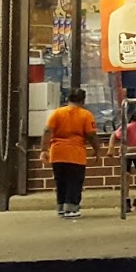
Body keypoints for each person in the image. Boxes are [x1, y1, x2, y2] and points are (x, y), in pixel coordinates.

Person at [44, 88, 102, 218]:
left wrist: (44, 150)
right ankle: (71, 209)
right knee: (74, 181)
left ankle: (61, 207)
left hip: (57, 153)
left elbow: (47, 131)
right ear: (83, 100)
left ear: (68, 99)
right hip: (76, 154)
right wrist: (97, 150)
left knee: (61, 181)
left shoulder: (57, 113)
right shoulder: (86, 115)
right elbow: (91, 135)